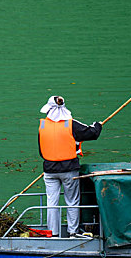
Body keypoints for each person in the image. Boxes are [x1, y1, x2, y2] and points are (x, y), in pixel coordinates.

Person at [38, 95, 102, 237]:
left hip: (49, 170)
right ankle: (72, 232)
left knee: (51, 202)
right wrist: (98, 125)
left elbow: (41, 149)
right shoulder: (71, 124)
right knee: (72, 201)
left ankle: (52, 233)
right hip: (69, 170)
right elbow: (92, 133)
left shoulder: (42, 125)